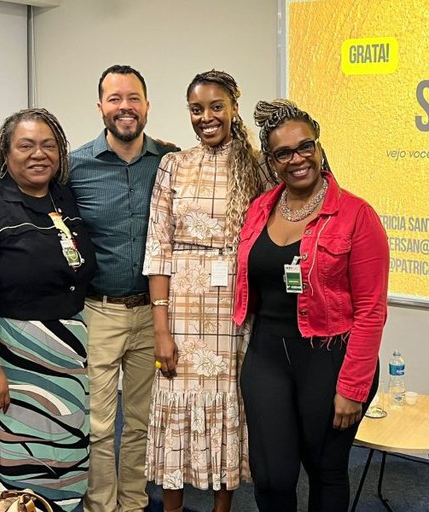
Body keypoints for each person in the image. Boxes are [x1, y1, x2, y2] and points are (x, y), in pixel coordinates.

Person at [233, 99, 388, 512]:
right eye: (284, 152)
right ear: (271, 160)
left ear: (319, 148)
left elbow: (371, 310)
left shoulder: (356, 215)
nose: (297, 159)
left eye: (306, 147)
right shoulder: (260, 209)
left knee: (325, 469)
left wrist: (353, 387)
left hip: (330, 358)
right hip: (267, 355)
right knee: (271, 476)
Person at [0, 108, 96, 511]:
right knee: (9, 458)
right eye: (26, 145)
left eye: (48, 145)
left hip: (64, 361)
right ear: (6, 153)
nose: (39, 154)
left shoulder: (62, 198)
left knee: (63, 449)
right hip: (7, 359)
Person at [143, 70, 275, 512]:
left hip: (235, 305)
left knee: (229, 404)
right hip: (181, 303)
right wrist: (161, 327)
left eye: (215, 106)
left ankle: (223, 507)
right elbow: (158, 248)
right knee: (175, 398)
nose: (206, 117)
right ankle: (173, 506)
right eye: (197, 109)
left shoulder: (257, 167)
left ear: (234, 107)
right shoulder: (174, 164)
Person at [69, 64, 179, 512]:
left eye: (133, 98)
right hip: (99, 311)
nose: (124, 107)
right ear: (100, 107)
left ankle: (132, 503)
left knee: (141, 421)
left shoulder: (170, 162)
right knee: (97, 421)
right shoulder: (73, 166)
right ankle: (101, 504)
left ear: (148, 105)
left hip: (153, 315)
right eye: (114, 99)